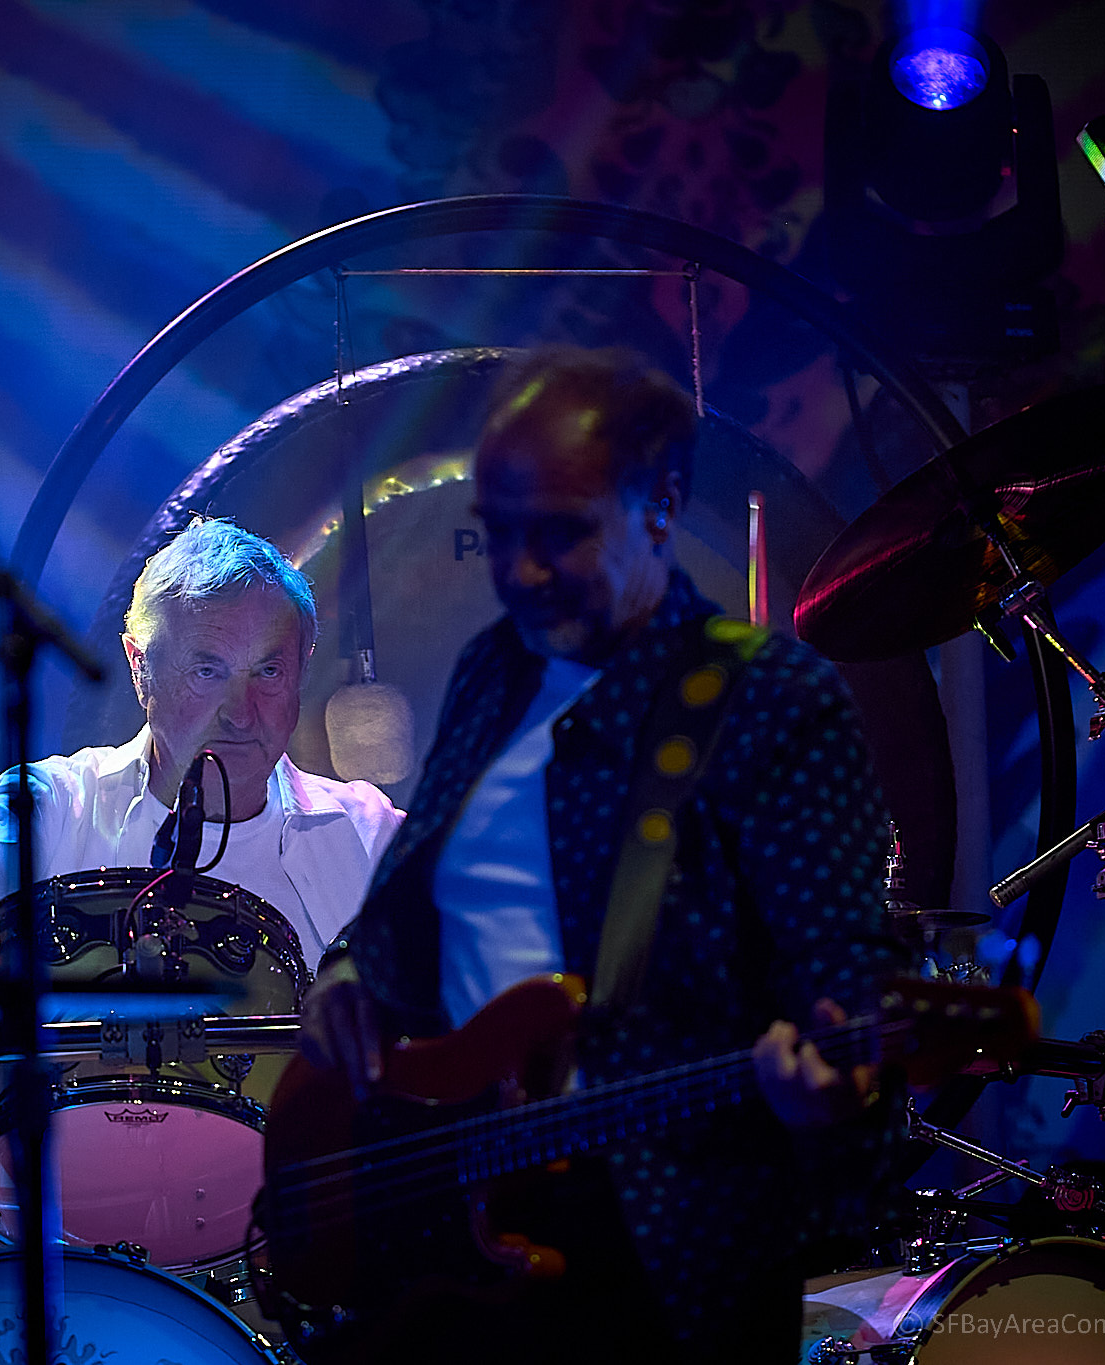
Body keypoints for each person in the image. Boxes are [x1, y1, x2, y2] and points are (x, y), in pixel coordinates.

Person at [295, 348, 909, 1361]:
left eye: (562, 536)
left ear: (660, 504)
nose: (520, 574)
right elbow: (409, 914)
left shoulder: (766, 702)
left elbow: (843, 968)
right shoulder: (491, 668)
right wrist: (352, 976)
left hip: (665, 1258)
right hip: (449, 1240)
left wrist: (835, 1074)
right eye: (499, 536)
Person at [0, 517, 404, 966]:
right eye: (207, 672)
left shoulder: (368, 834)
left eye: (267, 672)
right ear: (140, 667)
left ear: (302, 669)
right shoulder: (51, 806)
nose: (240, 714)